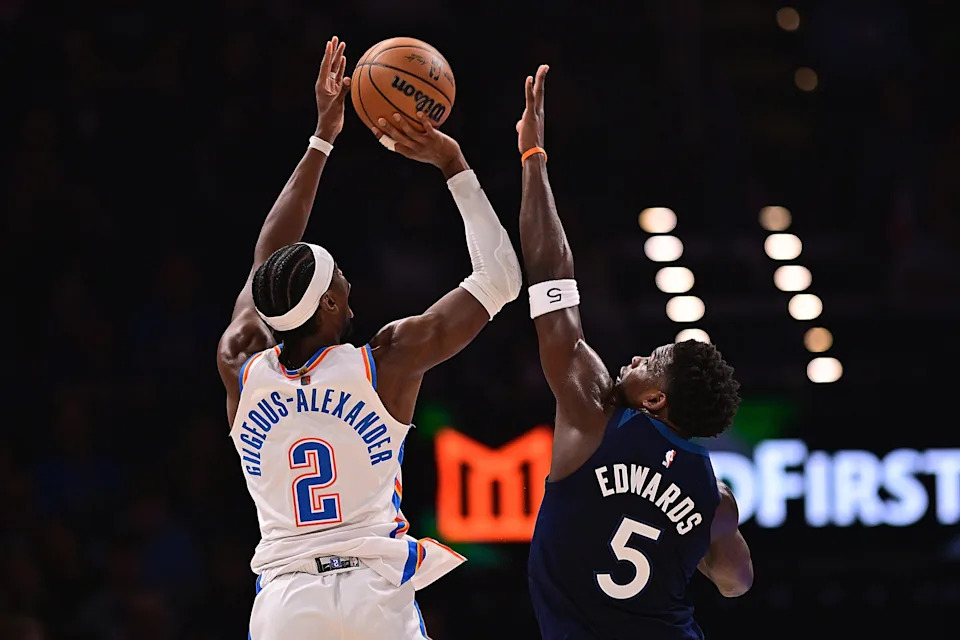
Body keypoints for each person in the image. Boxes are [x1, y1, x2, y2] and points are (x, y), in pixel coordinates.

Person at [215, 36, 521, 639]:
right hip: (372, 596)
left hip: (284, 600)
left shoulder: (239, 364)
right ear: (330, 303)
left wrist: (322, 138)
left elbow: (267, 264)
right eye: (339, 278)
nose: (350, 283)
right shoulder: (387, 363)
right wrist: (453, 163)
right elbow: (502, 278)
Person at [516, 65, 754, 639]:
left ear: (654, 398)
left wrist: (533, 158)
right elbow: (736, 581)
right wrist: (711, 519)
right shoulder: (708, 490)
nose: (632, 361)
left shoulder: (594, 416)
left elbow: (552, 279)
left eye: (648, 361)